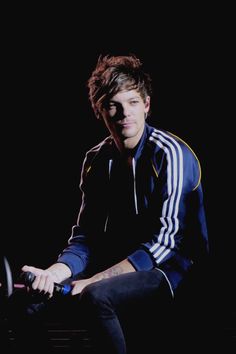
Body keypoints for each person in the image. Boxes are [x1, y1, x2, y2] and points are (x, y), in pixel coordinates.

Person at [7, 54, 209, 353]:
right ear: (99, 110)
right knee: (30, 302)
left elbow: (165, 244)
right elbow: (85, 237)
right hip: (122, 261)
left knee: (97, 296)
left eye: (132, 102)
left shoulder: (170, 154)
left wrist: (92, 281)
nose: (123, 113)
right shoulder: (96, 159)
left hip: (174, 270)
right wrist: (54, 272)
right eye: (113, 105)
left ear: (147, 105)